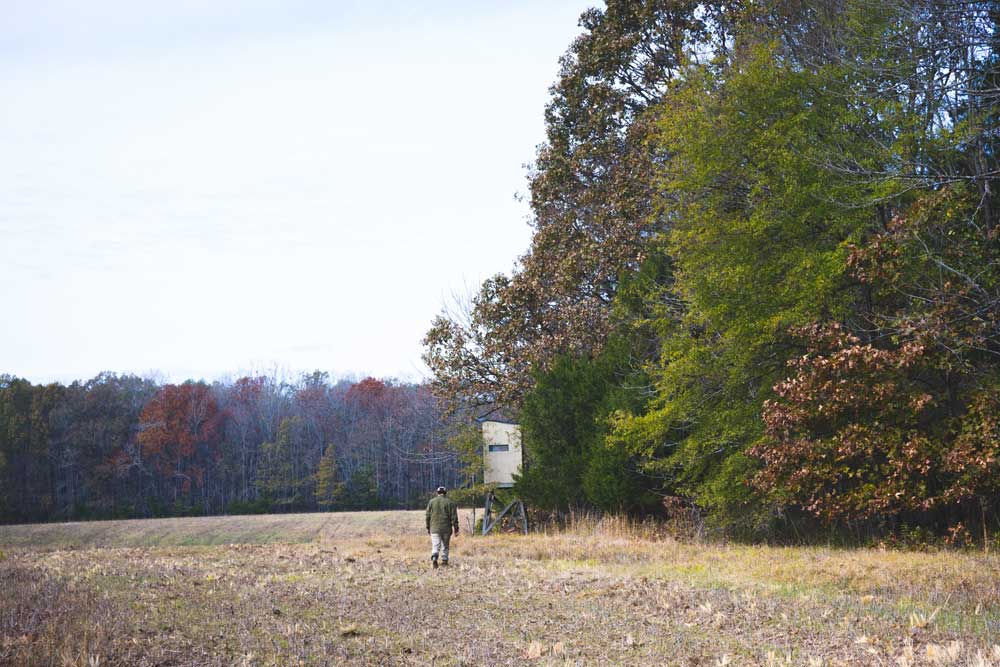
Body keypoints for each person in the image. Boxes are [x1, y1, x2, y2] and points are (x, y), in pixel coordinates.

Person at [425, 485, 459, 568]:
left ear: (437, 493)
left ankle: (434, 557)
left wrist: (428, 527)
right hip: (446, 528)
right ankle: (444, 561)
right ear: (445, 493)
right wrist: (456, 529)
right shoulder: (450, 503)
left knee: (435, 545)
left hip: (434, 528)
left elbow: (427, 516)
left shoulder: (431, 502)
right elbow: (454, 518)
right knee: (445, 545)